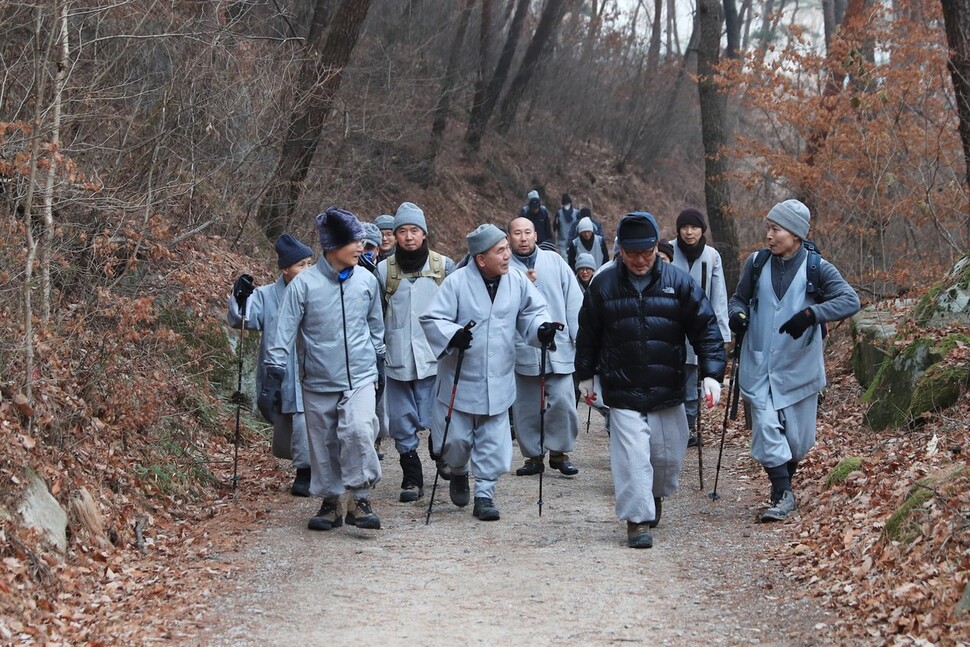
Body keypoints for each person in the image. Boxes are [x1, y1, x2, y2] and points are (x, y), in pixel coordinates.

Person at [575, 212, 726, 549]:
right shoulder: (603, 285)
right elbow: (588, 334)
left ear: (657, 249)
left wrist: (712, 373)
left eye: (647, 253)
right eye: (633, 254)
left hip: (667, 387)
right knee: (632, 457)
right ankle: (637, 519)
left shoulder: (679, 282)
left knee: (665, 457)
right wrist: (585, 376)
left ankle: (654, 495)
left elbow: (706, 329)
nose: (641, 261)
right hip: (622, 387)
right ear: (620, 252)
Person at [728, 199, 860, 523]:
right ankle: (782, 492)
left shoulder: (817, 268)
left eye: (776, 229)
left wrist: (812, 313)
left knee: (799, 442)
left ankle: (784, 480)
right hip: (758, 361)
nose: (769, 236)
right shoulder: (757, 263)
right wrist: (738, 316)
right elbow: (738, 299)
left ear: (796, 235)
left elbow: (850, 300)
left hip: (799, 365)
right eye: (768, 229)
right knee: (764, 421)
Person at [419, 224, 556, 522]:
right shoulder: (456, 283)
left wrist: (541, 330)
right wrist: (453, 335)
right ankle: (457, 471)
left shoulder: (518, 281)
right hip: (461, 380)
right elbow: (432, 318)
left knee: (494, 441)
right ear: (481, 259)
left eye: (507, 248)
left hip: (499, 378)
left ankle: (485, 494)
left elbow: (533, 313)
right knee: (455, 442)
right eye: (500, 251)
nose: (508, 255)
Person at [263, 207, 385, 532]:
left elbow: (376, 327)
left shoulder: (367, 281)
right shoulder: (304, 285)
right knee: (324, 443)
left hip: (360, 376)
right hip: (317, 379)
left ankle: (360, 499)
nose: (362, 247)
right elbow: (284, 330)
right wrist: (272, 375)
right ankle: (331, 502)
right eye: (354, 241)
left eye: (361, 240)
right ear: (332, 246)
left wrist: (380, 362)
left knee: (359, 431)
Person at [376, 202, 456, 503]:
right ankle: (411, 475)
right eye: (402, 231)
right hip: (396, 358)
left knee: (439, 414)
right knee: (400, 420)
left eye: (414, 230)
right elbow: (375, 315)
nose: (408, 237)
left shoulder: (443, 267)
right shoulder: (384, 271)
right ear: (395, 235)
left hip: (435, 358)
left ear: (424, 234)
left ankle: (442, 453)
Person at [229, 234, 314, 497]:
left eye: (309, 263)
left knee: (306, 419)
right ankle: (305, 465)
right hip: (279, 370)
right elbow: (243, 319)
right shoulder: (266, 295)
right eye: (301, 265)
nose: (307, 270)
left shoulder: (318, 289)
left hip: (312, 366)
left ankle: (306, 470)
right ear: (285, 269)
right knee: (287, 423)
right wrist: (240, 296)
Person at [507, 217, 583, 477]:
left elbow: (574, 300)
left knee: (563, 399)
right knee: (526, 405)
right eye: (517, 233)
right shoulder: (504, 267)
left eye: (528, 232)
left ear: (536, 235)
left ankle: (560, 452)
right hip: (522, 346)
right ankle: (533, 456)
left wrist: (578, 335)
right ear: (509, 238)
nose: (523, 238)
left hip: (558, 345)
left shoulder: (555, 262)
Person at [669, 208, 731, 447]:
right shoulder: (668, 250)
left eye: (693, 227)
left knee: (693, 380)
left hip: (698, 326)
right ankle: (673, 427)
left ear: (701, 230)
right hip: (671, 325)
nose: (689, 232)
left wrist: (721, 334)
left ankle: (687, 428)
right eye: (684, 227)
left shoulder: (712, 256)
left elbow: (719, 295)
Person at [359, 222, 389, 460]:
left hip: (380, 343)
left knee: (378, 399)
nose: (367, 251)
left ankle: (375, 443)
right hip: (358, 347)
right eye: (364, 245)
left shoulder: (381, 272)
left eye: (372, 246)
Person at [554, 193, 580, 259]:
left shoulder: (559, 213)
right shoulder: (576, 213)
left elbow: (555, 228)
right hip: (571, 241)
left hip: (564, 242)